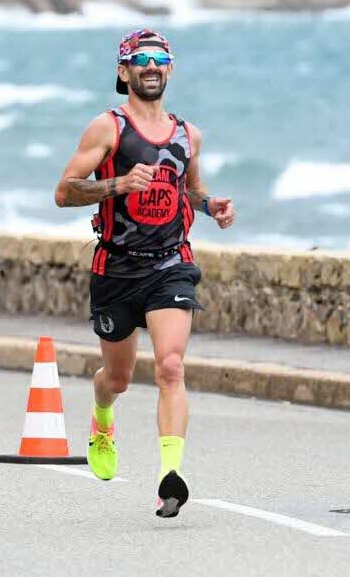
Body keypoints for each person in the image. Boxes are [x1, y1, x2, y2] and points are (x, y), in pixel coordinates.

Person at [53, 29, 235, 518]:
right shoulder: (107, 128)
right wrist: (116, 183)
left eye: (160, 59)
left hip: (171, 265)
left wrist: (210, 204)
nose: (151, 66)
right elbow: (64, 191)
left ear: (170, 69)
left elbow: (190, 189)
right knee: (117, 378)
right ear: (123, 71)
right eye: (140, 60)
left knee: (171, 366)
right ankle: (102, 417)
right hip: (115, 268)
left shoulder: (186, 134)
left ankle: (169, 477)